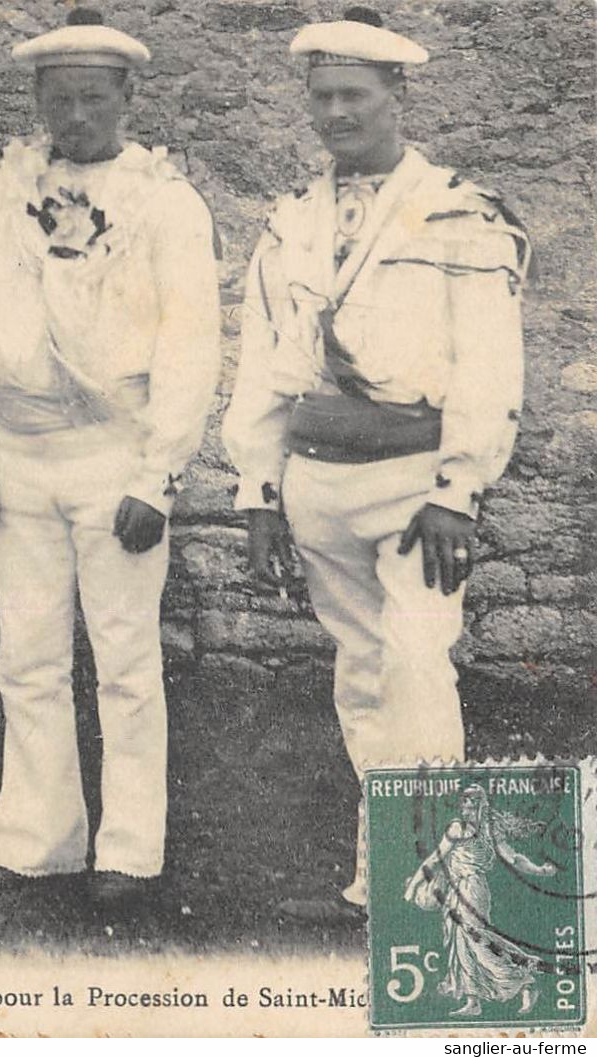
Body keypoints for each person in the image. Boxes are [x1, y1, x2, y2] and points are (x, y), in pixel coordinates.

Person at [225, 6, 530, 914]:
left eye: (352, 95)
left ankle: (435, 889)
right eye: (319, 97)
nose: (334, 115)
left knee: (414, 661)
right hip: (319, 479)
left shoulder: (457, 211)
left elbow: (487, 361)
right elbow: (261, 359)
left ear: (396, 95)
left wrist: (459, 488)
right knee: (360, 671)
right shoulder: (292, 219)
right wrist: (258, 489)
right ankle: (378, 877)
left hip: (415, 484)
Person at [0, 8, 221, 907]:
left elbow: (190, 349)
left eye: (94, 99)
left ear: (127, 97)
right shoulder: (1, 193)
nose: (77, 118)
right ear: (39, 102)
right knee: (25, 654)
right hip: (16, 454)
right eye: (60, 101)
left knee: (124, 657)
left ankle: (129, 850)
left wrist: (157, 477)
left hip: (113, 456)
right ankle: (36, 837)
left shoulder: (165, 203)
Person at [403, 785, 555, 1017]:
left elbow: (514, 859)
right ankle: (473, 1000)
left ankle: (525, 980)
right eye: (464, 806)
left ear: (482, 807)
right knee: (462, 941)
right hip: (458, 889)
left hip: (473, 889)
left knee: (476, 940)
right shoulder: (459, 828)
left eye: (471, 807)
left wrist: (540, 871)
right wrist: (415, 884)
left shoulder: (485, 831)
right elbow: (436, 859)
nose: (466, 811)